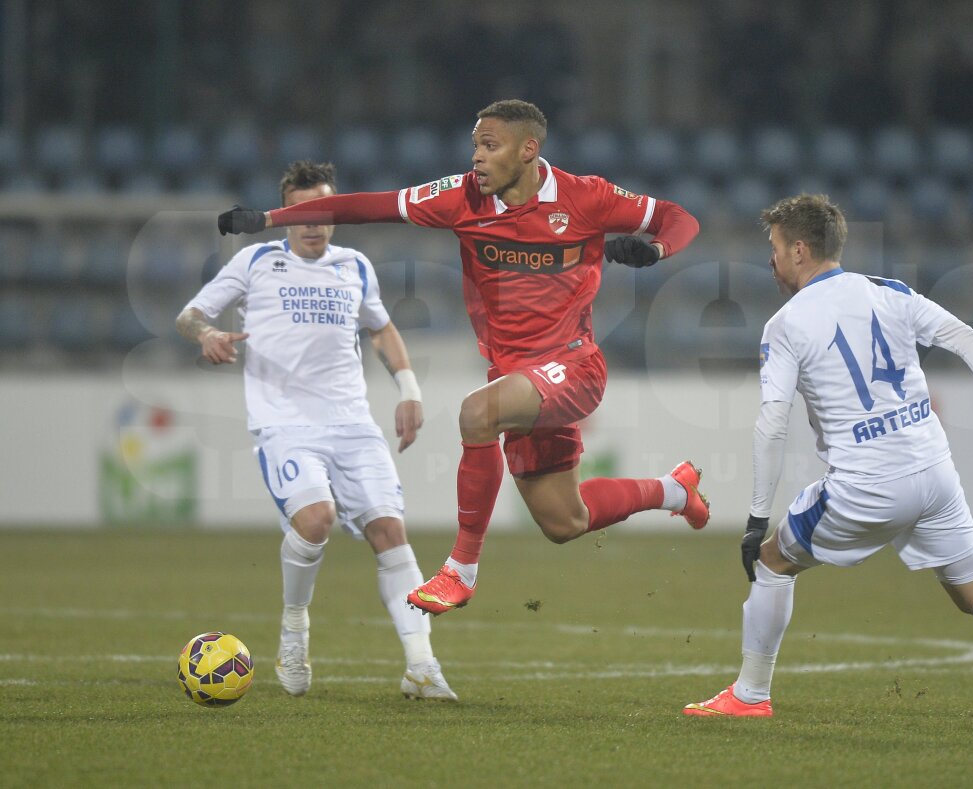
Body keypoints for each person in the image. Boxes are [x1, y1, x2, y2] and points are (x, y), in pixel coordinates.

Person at [218, 100, 709, 617]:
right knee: (564, 522)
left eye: (489, 145)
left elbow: (679, 218)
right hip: (518, 379)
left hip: (575, 366)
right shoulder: (461, 197)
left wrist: (655, 252)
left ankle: (460, 571)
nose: (476, 157)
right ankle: (674, 490)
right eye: (475, 144)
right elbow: (366, 206)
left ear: (528, 150)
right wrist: (271, 218)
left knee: (477, 413)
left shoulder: (587, 197)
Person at [682, 194, 973, 723]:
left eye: (775, 249)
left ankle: (750, 696)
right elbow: (964, 335)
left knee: (773, 562)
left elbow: (772, 423)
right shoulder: (889, 293)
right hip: (935, 473)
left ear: (800, 249)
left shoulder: (785, 325)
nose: (771, 261)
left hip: (866, 485)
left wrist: (757, 517)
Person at [178, 160, 456, 700]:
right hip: (285, 426)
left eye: (323, 212)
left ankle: (423, 667)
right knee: (317, 517)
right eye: (302, 213)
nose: (313, 223)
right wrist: (206, 334)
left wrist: (410, 391)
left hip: (353, 424)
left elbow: (381, 329)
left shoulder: (354, 266)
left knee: (390, 533)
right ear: (286, 216)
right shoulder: (255, 261)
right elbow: (190, 315)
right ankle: (294, 631)